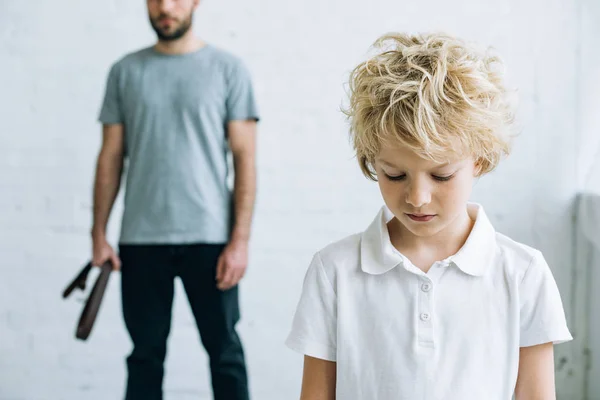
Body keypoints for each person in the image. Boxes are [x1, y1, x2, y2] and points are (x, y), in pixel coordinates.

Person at [285, 32, 572, 400]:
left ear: (479, 160)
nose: (417, 198)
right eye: (394, 174)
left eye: (441, 175)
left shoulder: (523, 273)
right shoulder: (334, 271)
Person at [91, 0, 259, 398]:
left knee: (225, 353)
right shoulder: (125, 71)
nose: (166, 7)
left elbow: (245, 160)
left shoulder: (227, 69)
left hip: (211, 239)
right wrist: (98, 233)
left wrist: (240, 241)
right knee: (145, 357)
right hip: (141, 241)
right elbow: (110, 157)